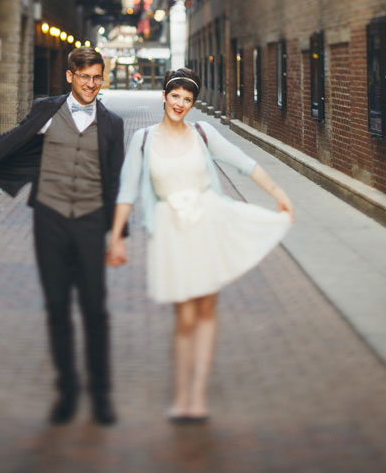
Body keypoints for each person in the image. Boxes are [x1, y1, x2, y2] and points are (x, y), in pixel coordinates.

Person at [0, 47, 124, 426]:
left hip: (91, 220)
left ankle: (101, 395)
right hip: (50, 218)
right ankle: (68, 391)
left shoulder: (112, 125)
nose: (91, 84)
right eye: (85, 76)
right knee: (57, 306)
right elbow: (11, 139)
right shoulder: (46, 110)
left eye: (97, 77)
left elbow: (116, 181)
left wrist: (118, 233)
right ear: (70, 76)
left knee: (94, 309)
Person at [107, 66, 294, 423]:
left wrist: (279, 194)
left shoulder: (203, 134)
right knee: (185, 318)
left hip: (208, 223)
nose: (179, 103)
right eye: (174, 96)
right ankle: (180, 396)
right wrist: (115, 237)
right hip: (172, 232)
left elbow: (244, 164)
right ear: (163, 96)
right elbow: (127, 191)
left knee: (206, 310)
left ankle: (197, 396)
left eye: (187, 99)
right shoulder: (143, 140)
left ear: (193, 104)